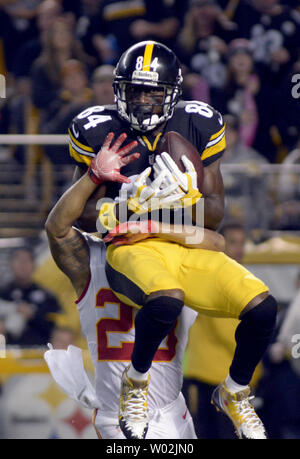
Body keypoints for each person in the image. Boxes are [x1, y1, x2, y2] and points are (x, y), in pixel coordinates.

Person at [68, 41, 277, 440]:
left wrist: (147, 208)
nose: (144, 102)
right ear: (118, 90)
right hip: (133, 247)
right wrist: (121, 197)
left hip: (186, 244)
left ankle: (234, 392)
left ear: (173, 94)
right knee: (166, 300)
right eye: (135, 90)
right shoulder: (97, 127)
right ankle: (137, 382)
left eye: (153, 92)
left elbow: (214, 212)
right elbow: (82, 214)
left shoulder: (197, 123)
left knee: (263, 309)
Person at [44, 147, 226, 439]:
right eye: (134, 204)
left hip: (172, 409)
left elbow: (218, 241)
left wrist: (154, 227)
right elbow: (57, 228)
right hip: (120, 414)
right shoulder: (94, 260)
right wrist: (92, 176)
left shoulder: (176, 255)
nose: (140, 210)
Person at [182, 222, 264, 438]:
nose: (239, 249)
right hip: (212, 380)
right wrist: (260, 363)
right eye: (233, 243)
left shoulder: (236, 278)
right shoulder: (219, 278)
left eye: (242, 243)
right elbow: (231, 333)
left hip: (219, 378)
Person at [0, 247, 61, 346]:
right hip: (7, 354)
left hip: (39, 353)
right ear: (11, 263)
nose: (23, 265)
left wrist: (33, 315)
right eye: (19, 260)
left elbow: (57, 327)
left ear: (34, 265)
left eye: (27, 260)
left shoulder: (47, 296)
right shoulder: (3, 293)